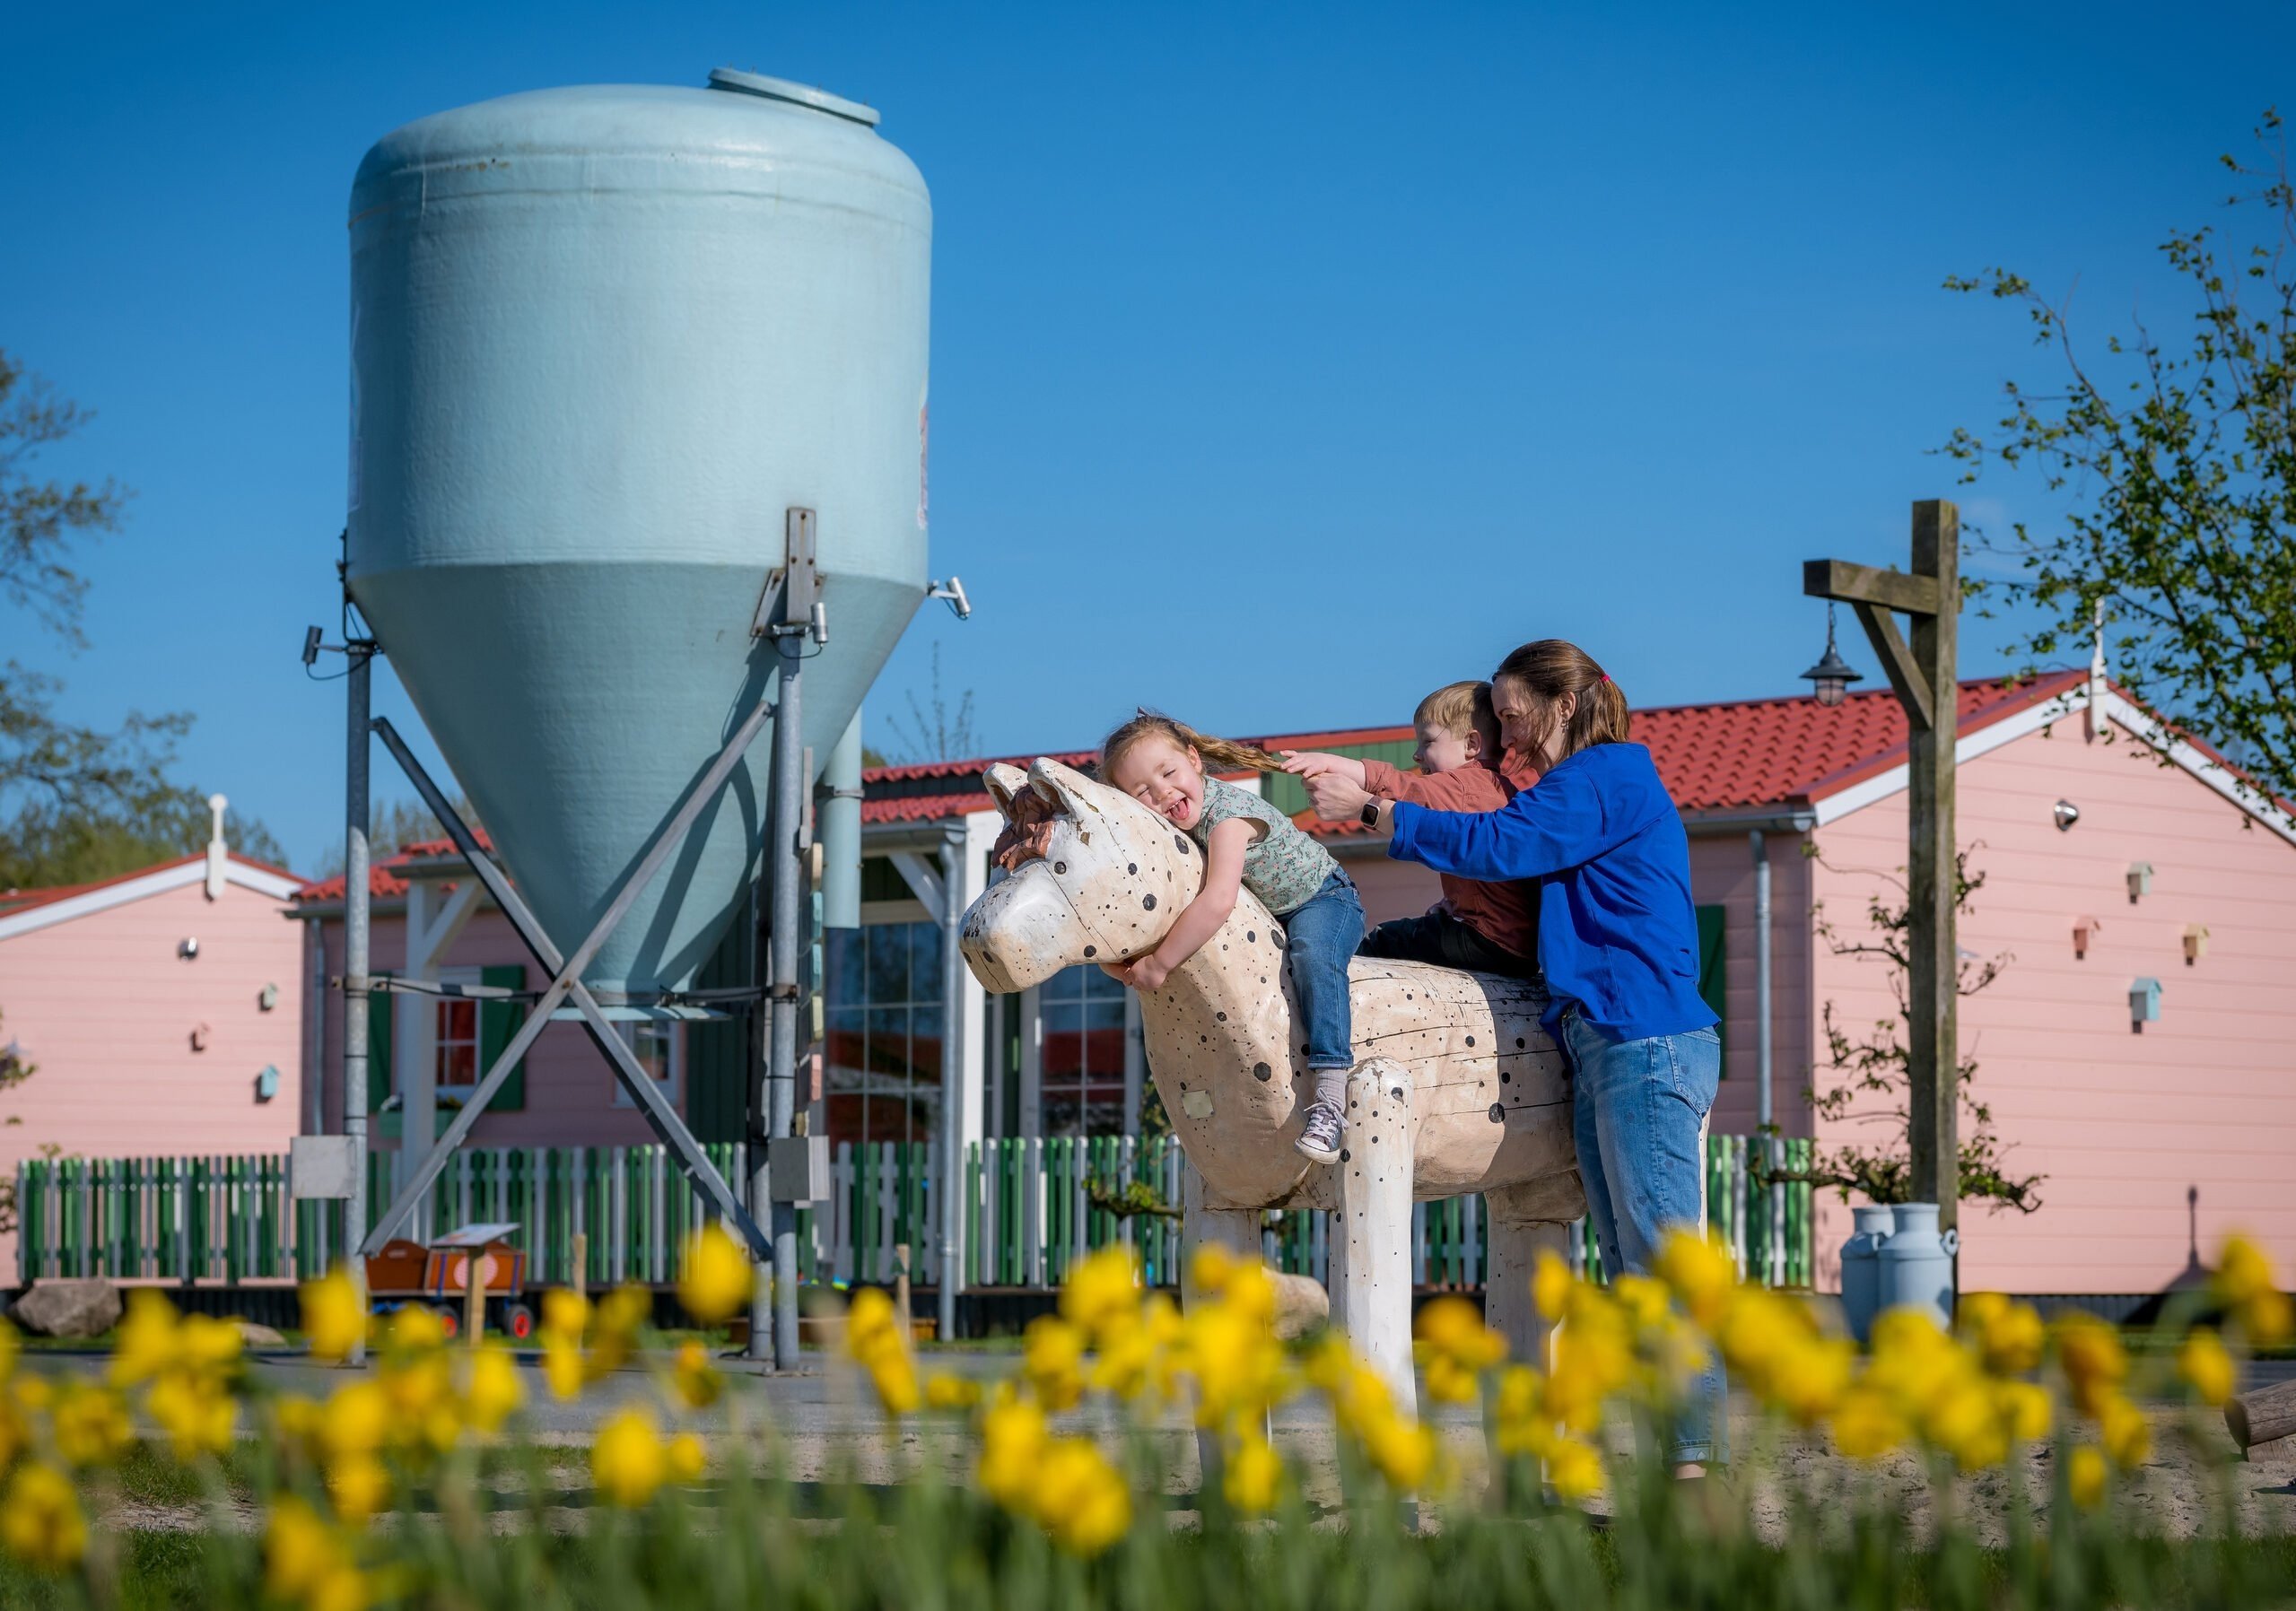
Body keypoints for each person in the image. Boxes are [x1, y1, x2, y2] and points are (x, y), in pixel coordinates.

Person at [1293, 642, 1723, 1473]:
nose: (1504, 735)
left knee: (1660, 1264)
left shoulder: (1604, 775)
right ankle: (1678, 1462)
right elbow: (1474, 809)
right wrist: (1370, 780)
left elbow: (1498, 844)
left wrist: (1374, 811)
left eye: (1513, 715)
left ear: (1564, 705)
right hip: (1607, 1036)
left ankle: (1696, 1461)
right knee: (1634, 1264)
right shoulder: (1580, 781)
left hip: (1643, 1037)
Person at [1097, 710, 1365, 1165]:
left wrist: (1160, 964)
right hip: (1272, 915)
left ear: (1194, 760)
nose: (1162, 792)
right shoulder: (1171, 833)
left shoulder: (1227, 817)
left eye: (1168, 773)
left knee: (1313, 957)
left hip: (1322, 898)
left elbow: (1218, 901)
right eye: (1143, 791)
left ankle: (1331, 1096)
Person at [1280, 679, 1539, 977]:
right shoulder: (1502, 791)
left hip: (1485, 940)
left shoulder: (1463, 784)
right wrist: (1455, 904)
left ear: (1472, 744)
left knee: (1386, 940)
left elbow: (1401, 787)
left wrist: (1329, 762)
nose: (1416, 755)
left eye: (1428, 742)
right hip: (1517, 948)